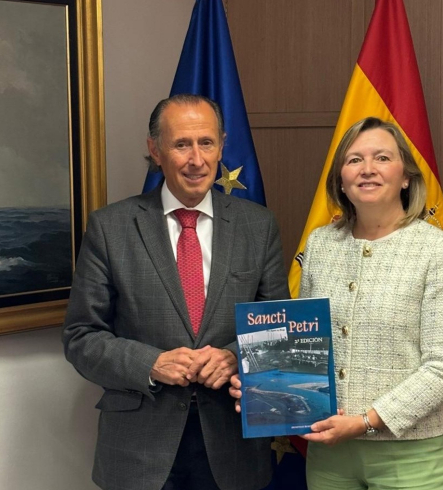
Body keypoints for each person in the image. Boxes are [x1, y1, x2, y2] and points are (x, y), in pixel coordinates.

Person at [62, 94, 289, 490]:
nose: (196, 159)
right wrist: (150, 363)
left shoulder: (258, 226)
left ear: (222, 146)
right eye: (182, 144)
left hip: (233, 442)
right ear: (156, 150)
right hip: (139, 446)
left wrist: (235, 357)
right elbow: (81, 337)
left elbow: (279, 326)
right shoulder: (110, 228)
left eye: (206, 143)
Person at [232, 116, 443, 489]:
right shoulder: (321, 245)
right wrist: (259, 386)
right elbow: (303, 346)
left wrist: (366, 422)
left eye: (382, 158)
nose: (368, 169)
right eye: (355, 160)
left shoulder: (439, 250)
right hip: (330, 455)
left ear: (406, 176)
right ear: (341, 180)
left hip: (410, 456)